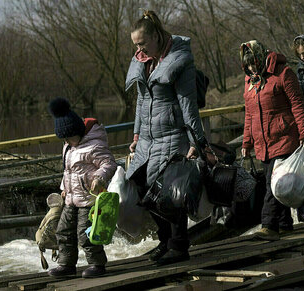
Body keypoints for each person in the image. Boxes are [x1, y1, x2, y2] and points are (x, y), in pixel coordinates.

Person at [125, 10, 211, 266]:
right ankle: (165, 241)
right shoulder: (142, 60)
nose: (139, 49)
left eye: (142, 43)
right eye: (135, 45)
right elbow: (141, 100)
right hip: (148, 140)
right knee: (142, 188)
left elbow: (189, 105)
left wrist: (196, 142)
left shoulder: (179, 59)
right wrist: (136, 134)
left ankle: (179, 246)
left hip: (173, 136)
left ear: (156, 36)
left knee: (171, 192)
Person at [239, 40, 304, 241]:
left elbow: (298, 105)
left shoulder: (283, 73)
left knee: (274, 185)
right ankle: (284, 224)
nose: (253, 68)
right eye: (249, 65)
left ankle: (268, 225)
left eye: (254, 63)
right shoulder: (250, 82)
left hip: (284, 137)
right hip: (263, 143)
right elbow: (249, 115)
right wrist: (246, 142)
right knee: (275, 182)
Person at [46, 98, 117, 278]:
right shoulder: (68, 147)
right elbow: (68, 171)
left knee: (87, 233)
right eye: (65, 139)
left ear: (78, 131)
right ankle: (66, 264)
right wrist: (64, 188)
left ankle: (97, 264)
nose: (69, 141)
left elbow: (109, 163)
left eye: (71, 138)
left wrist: (100, 177)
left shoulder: (94, 145)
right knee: (63, 231)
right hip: (71, 198)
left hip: (89, 198)